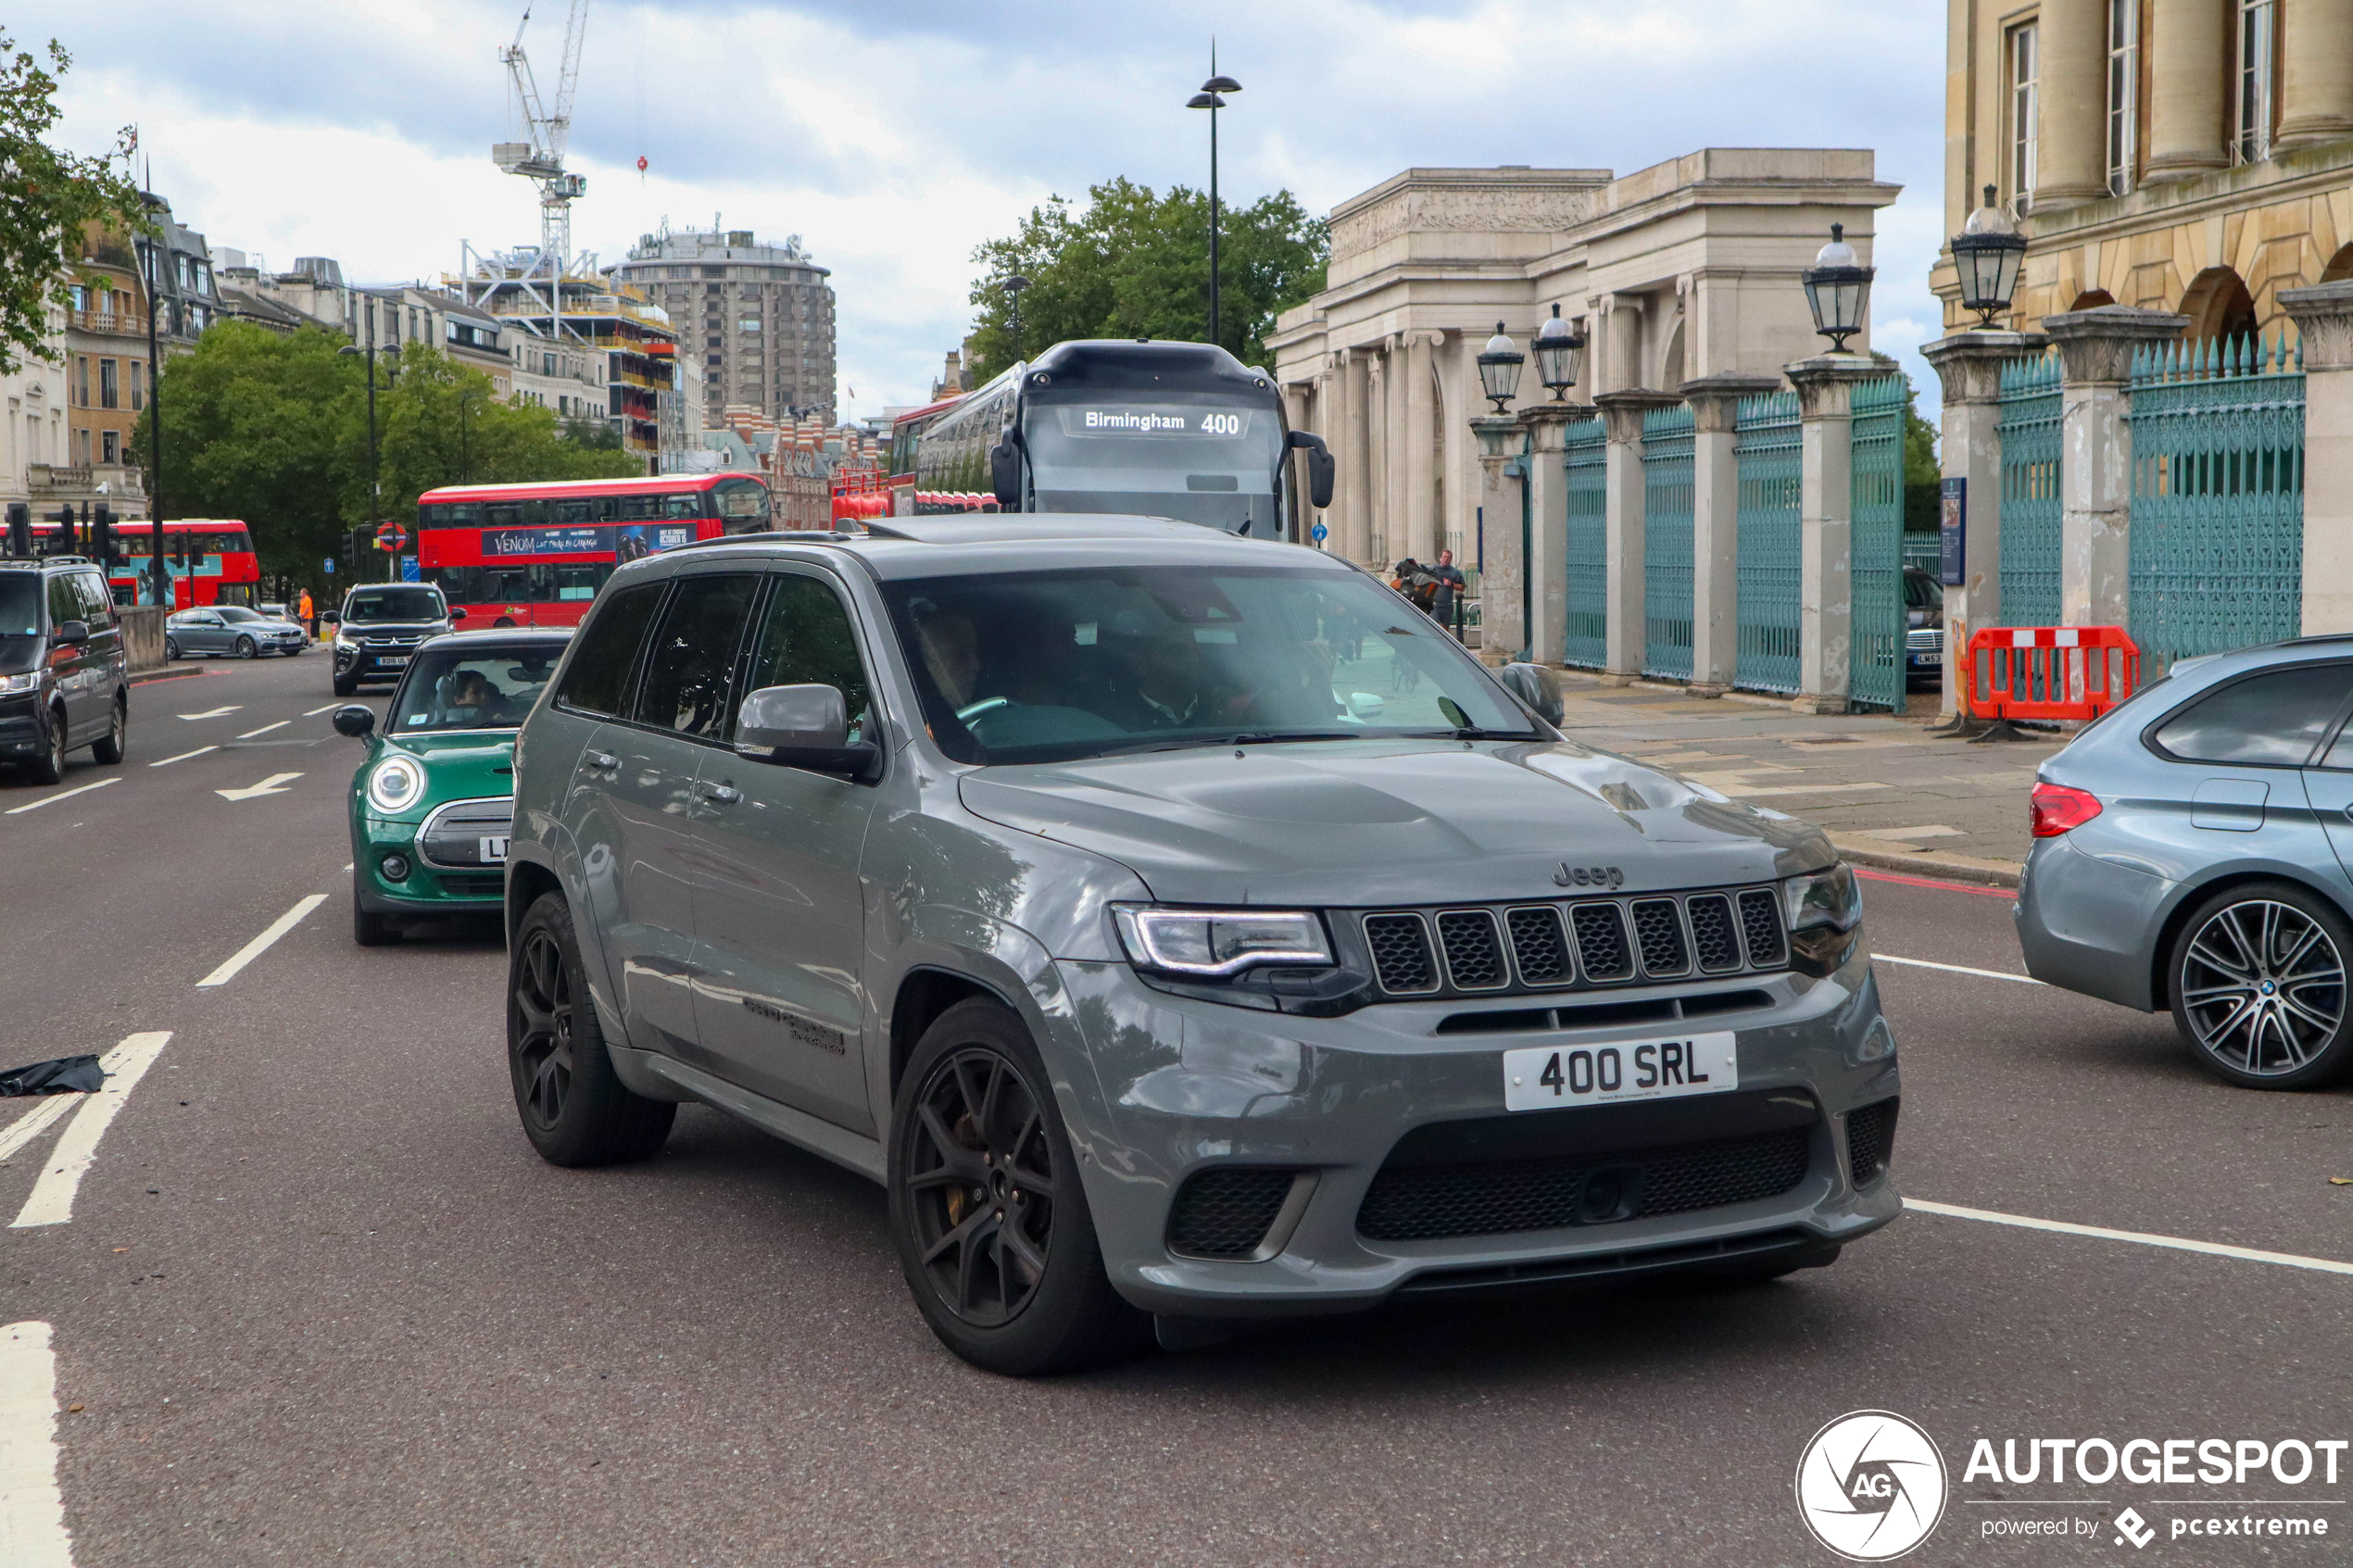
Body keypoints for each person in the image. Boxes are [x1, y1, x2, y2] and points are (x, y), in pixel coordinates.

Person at [1427, 548, 1467, 639]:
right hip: (1434, 604)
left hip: (1447, 605)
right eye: (1444, 557)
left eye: (1448, 558)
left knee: (1444, 629)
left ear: (1450, 560)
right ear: (1440, 558)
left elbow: (1462, 587)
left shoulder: (1455, 572)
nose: (1446, 559)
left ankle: (1446, 644)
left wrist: (1452, 584)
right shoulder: (1432, 569)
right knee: (1435, 625)